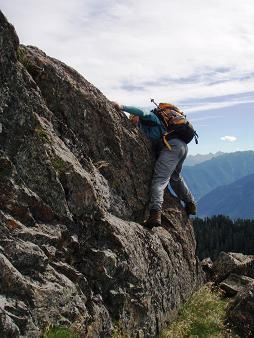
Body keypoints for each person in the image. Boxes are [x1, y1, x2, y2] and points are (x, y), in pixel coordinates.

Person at [112, 102, 197, 229]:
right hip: (182, 147)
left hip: (172, 146)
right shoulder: (154, 125)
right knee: (175, 178)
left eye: (132, 117)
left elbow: (142, 112)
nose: (132, 120)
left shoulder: (150, 117)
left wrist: (122, 107)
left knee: (159, 180)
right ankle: (190, 203)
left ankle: (155, 214)